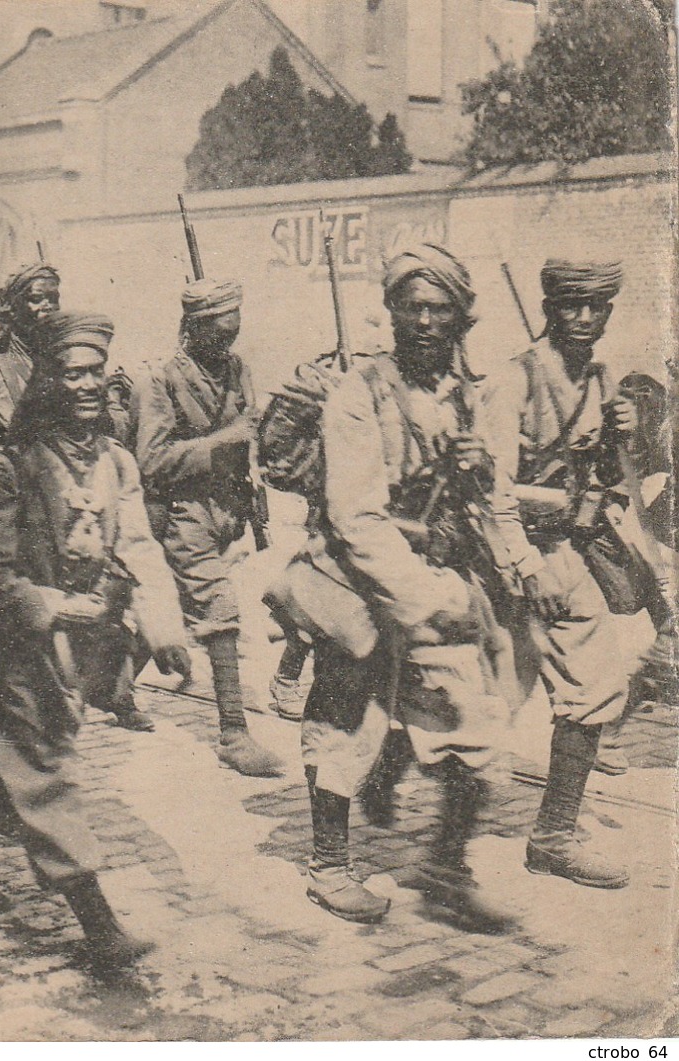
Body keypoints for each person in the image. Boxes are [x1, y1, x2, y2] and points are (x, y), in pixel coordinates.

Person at [0, 311, 191, 973]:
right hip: (7, 643)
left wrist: (163, 630)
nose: (83, 384)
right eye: (67, 372)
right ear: (46, 379)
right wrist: (56, 608)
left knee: (10, 762)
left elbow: (136, 547)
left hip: (70, 653)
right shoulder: (9, 466)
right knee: (41, 772)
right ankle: (99, 926)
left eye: (93, 371)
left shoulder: (116, 460)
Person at [281, 244, 514, 931]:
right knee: (342, 718)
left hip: (434, 578)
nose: (423, 321)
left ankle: (444, 867)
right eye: (409, 306)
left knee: (470, 720)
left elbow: (488, 501)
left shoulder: (473, 393)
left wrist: (478, 469)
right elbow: (356, 517)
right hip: (356, 580)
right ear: (389, 314)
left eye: (438, 308)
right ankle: (328, 866)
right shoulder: (360, 393)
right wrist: (423, 596)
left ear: (459, 318)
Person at [485, 259, 636, 888]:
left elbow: (609, 484)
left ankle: (552, 837)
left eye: (595, 307)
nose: (583, 318)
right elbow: (488, 494)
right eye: (571, 305)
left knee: (596, 682)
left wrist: (623, 437)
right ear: (549, 306)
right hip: (503, 553)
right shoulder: (513, 381)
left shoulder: (599, 379)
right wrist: (525, 567)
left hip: (564, 552)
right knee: (458, 698)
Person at [130, 280, 284, 776]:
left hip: (226, 511)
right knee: (218, 609)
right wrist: (223, 442)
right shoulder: (161, 380)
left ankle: (112, 683)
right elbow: (150, 460)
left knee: (175, 606)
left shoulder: (239, 370)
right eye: (217, 336)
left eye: (232, 335)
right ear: (192, 330)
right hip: (181, 510)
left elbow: (252, 435)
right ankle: (234, 734)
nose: (226, 347)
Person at [0, 263, 61, 446]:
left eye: (53, 299)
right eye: (37, 298)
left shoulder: (62, 363)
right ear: (13, 308)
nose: (49, 307)